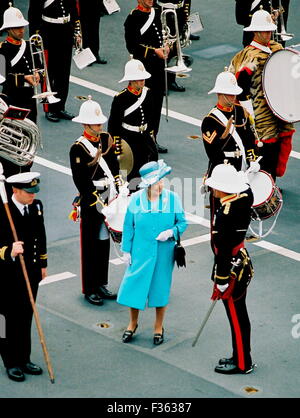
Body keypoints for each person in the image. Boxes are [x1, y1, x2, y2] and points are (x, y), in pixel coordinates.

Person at [117, 159, 187, 345]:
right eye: (157, 182)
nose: (161, 184)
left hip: (164, 252)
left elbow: (182, 223)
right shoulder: (135, 200)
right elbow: (128, 226)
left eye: (162, 180)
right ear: (148, 185)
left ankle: (158, 326)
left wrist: (171, 232)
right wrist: (126, 250)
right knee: (135, 286)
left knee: (160, 288)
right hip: (140, 251)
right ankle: (132, 324)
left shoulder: (172, 198)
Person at [229, 8, 295, 181]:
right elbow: (241, 88)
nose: (268, 34)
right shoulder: (249, 57)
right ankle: (264, 184)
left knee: (278, 147)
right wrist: (249, 113)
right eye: (265, 31)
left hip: (279, 107)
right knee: (265, 151)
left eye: (270, 30)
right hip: (261, 114)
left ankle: (271, 182)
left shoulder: (277, 49)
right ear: (256, 32)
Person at [70, 97, 122, 306]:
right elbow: (81, 181)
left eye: (100, 123)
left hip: (108, 197)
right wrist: (98, 203)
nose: (99, 126)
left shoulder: (105, 139)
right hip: (93, 202)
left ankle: (101, 282)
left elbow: (115, 167)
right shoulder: (78, 149)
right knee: (90, 245)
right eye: (95, 123)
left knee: (103, 243)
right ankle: (89, 287)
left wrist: (118, 190)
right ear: (85, 124)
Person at [204, 163, 255, 374]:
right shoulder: (243, 199)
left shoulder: (226, 214)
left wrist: (222, 280)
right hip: (241, 262)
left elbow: (223, 249)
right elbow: (248, 190)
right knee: (240, 315)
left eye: (216, 186)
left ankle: (243, 363)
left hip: (232, 269)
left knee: (236, 317)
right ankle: (239, 354)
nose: (213, 190)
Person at [0, 171, 47, 382]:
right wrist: (9, 250)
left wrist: (43, 264)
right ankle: (10, 362)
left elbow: (41, 235)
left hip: (31, 271)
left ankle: (24, 358)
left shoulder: (36, 207)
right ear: (15, 190)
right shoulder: (2, 212)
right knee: (7, 320)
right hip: (7, 274)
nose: (32, 195)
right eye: (28, 192)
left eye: (34, 191)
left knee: (26, 316)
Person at [124, 0, 169, 154]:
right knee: (144, 104)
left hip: (158, 68)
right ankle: (141, 139)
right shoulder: (133, 17)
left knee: (156, 104)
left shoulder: (156, 13)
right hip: (143, 68)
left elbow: (161, 35)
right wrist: (153, 51)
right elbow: (132, 45)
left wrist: (166, 46)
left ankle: (152, 138)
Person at [108, 57, 158, 191]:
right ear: (131, 79)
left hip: (145, 137)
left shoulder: (148, 93)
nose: (143, 81)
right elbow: (113, 125)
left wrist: (151, 135)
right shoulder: (121, 98)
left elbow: (151, 117)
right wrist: (118, 147)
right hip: (129, 139)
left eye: (143, 78)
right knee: (132, 175)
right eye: (139, 78)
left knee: (150, 169)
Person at [201, 68, 260, 179]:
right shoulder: (210, 121)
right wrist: (229, 172)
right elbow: (213, 154)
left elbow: (249, 139)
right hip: (224, 171)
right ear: (220, 93)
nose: (234, 97)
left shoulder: (241, 111)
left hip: (244, 167)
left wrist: (252, 159)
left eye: (234, 93)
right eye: (230, 94)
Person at [28, 0, 79, 122]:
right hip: (49, 32)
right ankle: (49, 108)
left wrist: (76, 30)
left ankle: (60, 106)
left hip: (66, 30)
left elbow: (73, 8)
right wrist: (35, 35)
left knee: (64, 71)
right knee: (49, 72)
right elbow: (34, 13)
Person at [0, 4, 40, 123]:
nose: (21, 30)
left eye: (22, 26)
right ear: (8, 29)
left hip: (30, 98)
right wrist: (24, 78)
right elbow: (2, 78)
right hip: (13, 99)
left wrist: (39, 75)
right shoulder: (2, 50)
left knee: (32, 130)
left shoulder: (29, 46)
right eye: (17, 27)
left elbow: (40, 67)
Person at [77, 0, 107, 65]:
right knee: (85, 30)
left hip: (96, 5)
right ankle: (87, 56)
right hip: (85, 5)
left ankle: (95, 54)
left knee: (95, 30)